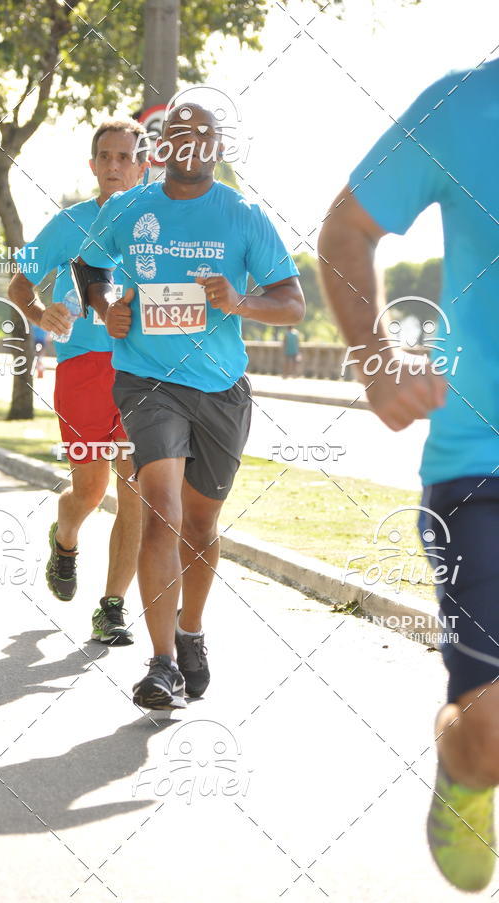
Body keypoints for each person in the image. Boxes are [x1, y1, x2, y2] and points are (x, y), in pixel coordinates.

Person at [318, 60, 499, 892]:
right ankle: (463, 766)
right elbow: (345, 230)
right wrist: (375, 358)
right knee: (491, 730)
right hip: (480, 466)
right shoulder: (464, 106)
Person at [77, 102, 305, 710]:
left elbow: (292, 304)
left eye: (205, 133)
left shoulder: (243, 215)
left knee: (201, 526)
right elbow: (89, 265)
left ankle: (191, 631)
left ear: (219, 147)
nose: (192, 141)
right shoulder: (130, 208)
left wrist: (239, 301)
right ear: (162, 145)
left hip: (221, 387)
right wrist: (106, 308)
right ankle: (160, 665)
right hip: (147, 380)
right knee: (162, 513)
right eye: (179, 132)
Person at [8, 117, 149, 646]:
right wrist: (42, 314)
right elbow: (23, 284)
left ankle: (112, 607)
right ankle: (65, 538)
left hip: (143, 370)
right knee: (89, 491)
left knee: (134, 488)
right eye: (105, 157)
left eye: (125, 157)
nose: (114, 166)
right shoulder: (69, 223)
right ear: (93, 166)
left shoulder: (160, 223)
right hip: (83, 372)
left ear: (142, 165)